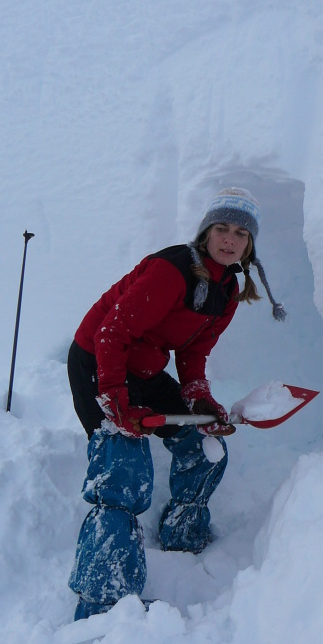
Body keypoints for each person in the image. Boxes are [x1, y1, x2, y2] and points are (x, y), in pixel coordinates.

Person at [67, 187, 286, 620]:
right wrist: (116, 401)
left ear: (250, 244)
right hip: (100, 361)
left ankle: (181, 537)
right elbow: (111, 335)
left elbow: (192, 353)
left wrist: (199, 398)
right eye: (221, 228)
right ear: (205, 232)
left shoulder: (229, 290)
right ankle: (102, 602)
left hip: (144, 368)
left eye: (241, 233)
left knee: (204, 446)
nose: (230, 239)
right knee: (123, 472)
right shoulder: (172, 272)